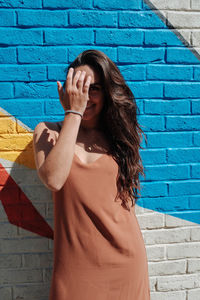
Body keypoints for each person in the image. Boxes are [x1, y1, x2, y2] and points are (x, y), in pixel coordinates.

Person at [33, 49, 150, 300]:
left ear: (107, 92)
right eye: (78, 87)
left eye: (93, 88)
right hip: (74, 271)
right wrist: (73, 112)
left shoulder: (118, 138)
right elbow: (53, 179)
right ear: (67, 89)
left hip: (125, 263)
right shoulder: (48, 132)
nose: (85, 96)